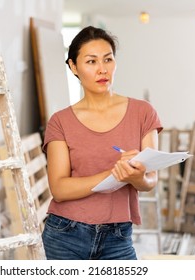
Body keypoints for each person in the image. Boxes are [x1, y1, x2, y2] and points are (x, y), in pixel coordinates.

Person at [41, 26, 163, 260]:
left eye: (108, 59)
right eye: (91, 61)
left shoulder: (143, 113)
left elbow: (150, 181)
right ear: (73, 67)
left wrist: (136, 177)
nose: (102, 69)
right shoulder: (60, 121)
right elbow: (59, 188)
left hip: (118, 237)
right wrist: (113, 174)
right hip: (65, 234)